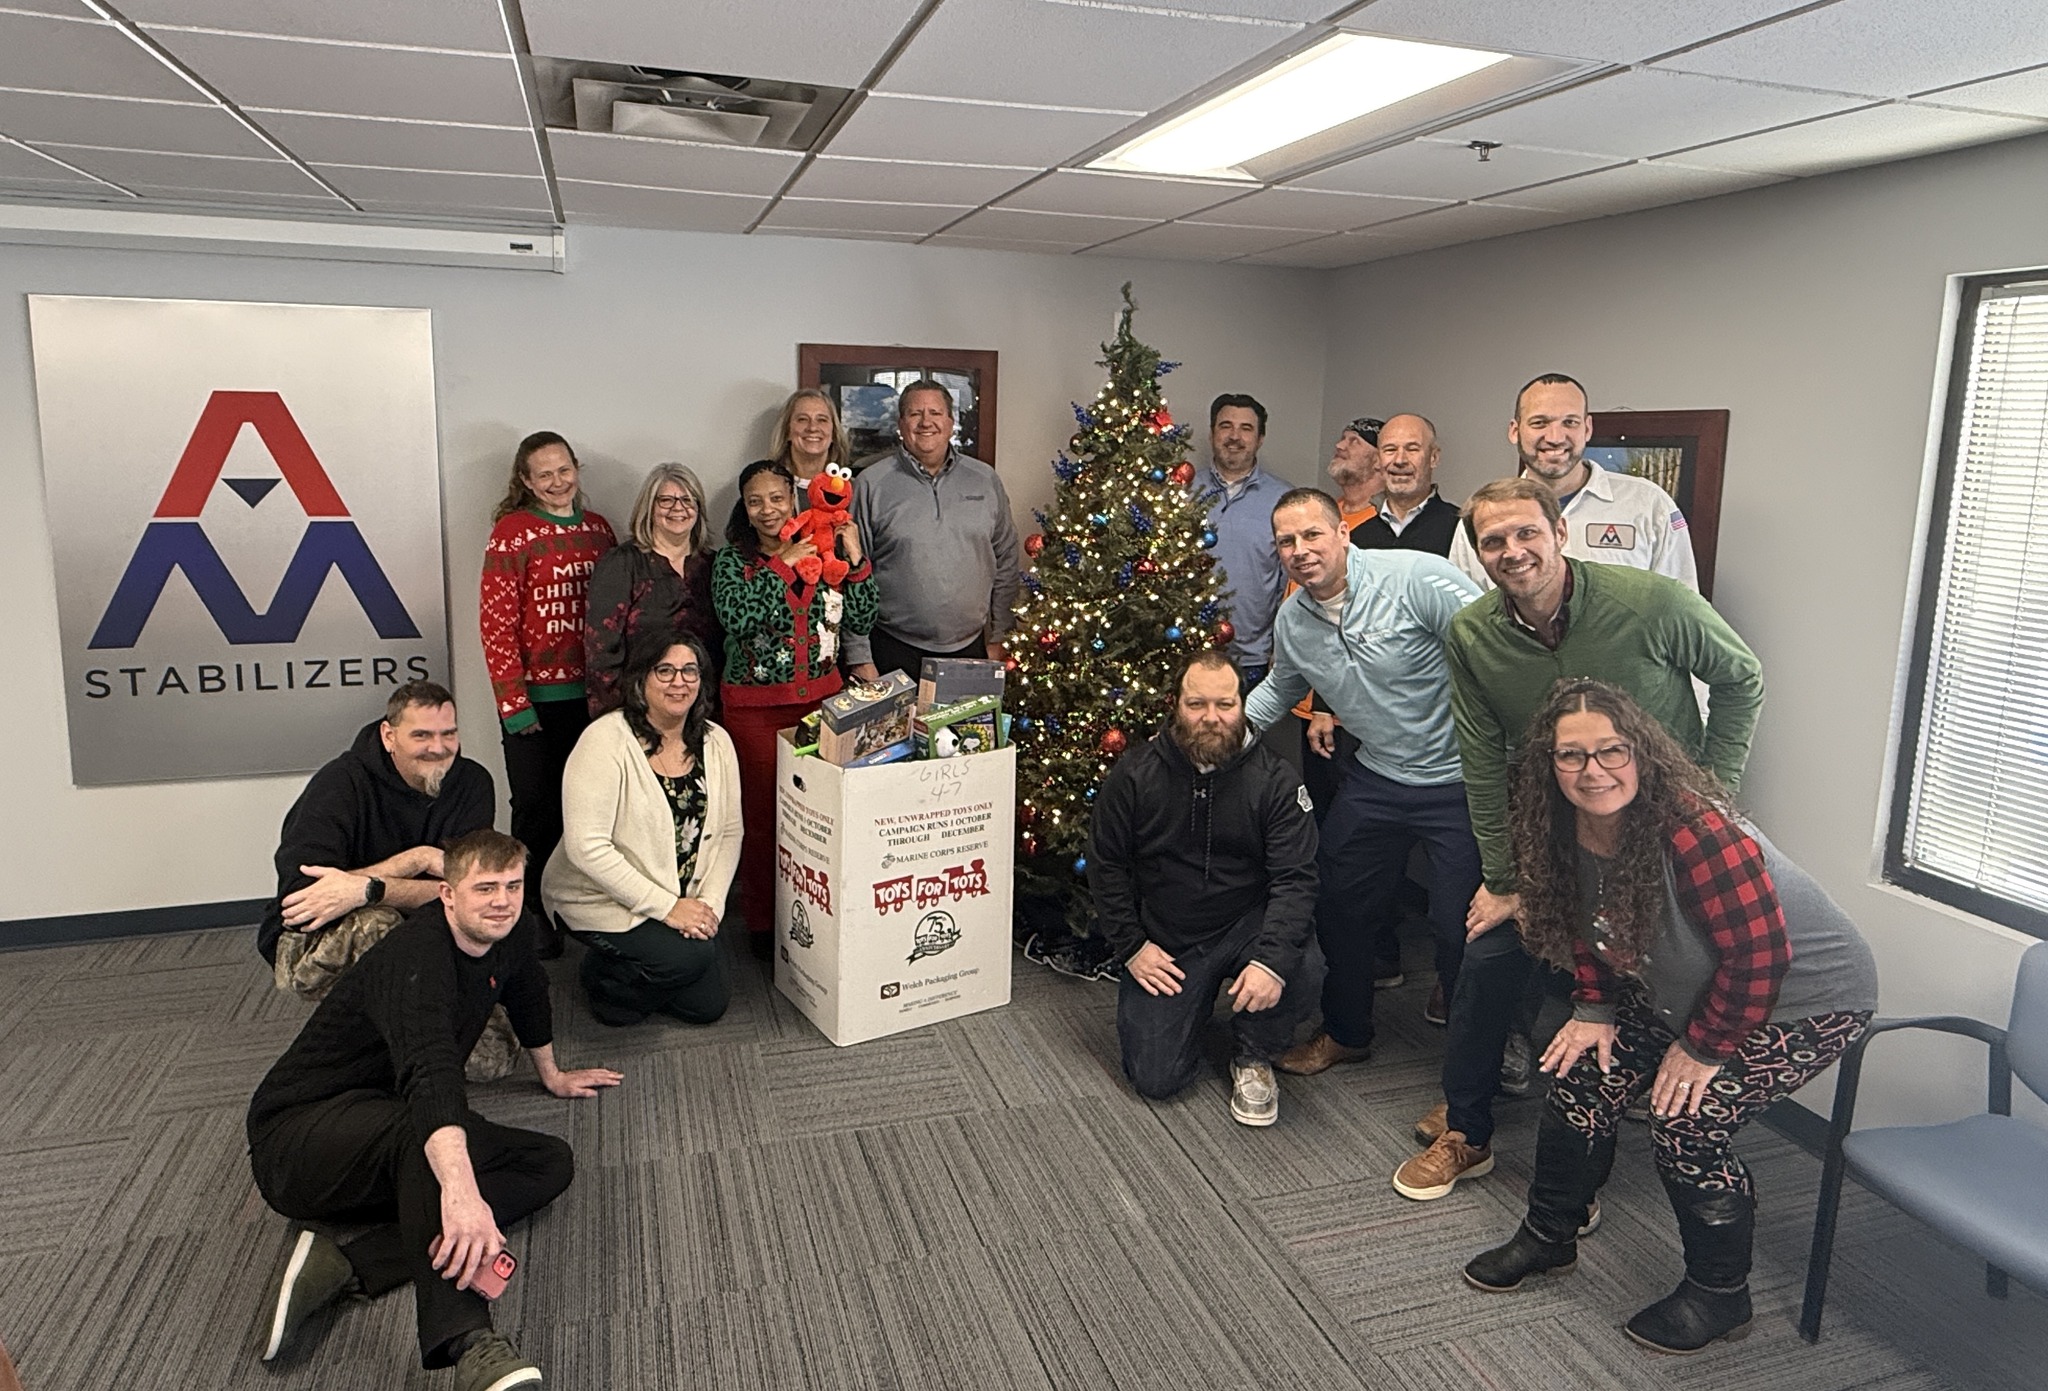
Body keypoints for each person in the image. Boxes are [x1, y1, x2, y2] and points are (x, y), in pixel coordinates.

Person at [1461, 679, 1875, 1356]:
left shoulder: (1696, 831)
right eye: (1572, 756)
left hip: (1807, 996)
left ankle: (1721, 1296)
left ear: (1642, 753)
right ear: (1549, 764)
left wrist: (1705, 1048)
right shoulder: (1561, 824)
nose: (1593, 770)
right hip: (1691, 985)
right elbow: (1588, 923)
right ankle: (1548, 1238)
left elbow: (1763, 957)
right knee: (1580, 1075)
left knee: (1687, 1119)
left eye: (1611, 750)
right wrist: (1593, 1006)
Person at [1401, 478, 1764, 1208]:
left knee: (1618, 993)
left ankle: (1577, 1173)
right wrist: (1504, 877)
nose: (1512, 551)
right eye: (1494, 540)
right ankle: (1467, 1130)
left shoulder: (1651, 603)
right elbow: (1481, 757)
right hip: (1553, 835)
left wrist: (1710, 797)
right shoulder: (1473, 635)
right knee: (1490, 954)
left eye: (1526, 533)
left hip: (1659, 837)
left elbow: (1741, 677)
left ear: (1559, 532)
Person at [247, 829, 623, 1385]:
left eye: (513, 886)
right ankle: (470, 1341)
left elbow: (526, 990)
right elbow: (430, 1076)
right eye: (485, 888)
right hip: (298, 1141)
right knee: (432, 1141)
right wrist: (463, 1194)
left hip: (381, 1121)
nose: (502, 901)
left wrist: (552, 1073)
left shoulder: (508, 932)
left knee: (546, 1163)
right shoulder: (417, 960)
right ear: (447, 895)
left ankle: (346, 1267)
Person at [1242, 489, 1484, 1082]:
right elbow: (1281, 686)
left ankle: (1481, 1053)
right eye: (1287, 542)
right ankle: (1347, 1032)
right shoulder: (1295, 618)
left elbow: (1495, 649)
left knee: (1462, 927)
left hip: (1459, 782)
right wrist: (1220, 735)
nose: (1300, 551)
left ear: (1343, 533)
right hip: (1376, 776)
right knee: (1337, 904)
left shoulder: (1417, 578)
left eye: (1312, 535)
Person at [1089, 650, 1318, 1126]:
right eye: (1197, 705)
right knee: (1156, 1079)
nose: (1212, 718)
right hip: (1170, 937)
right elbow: (1106, 864)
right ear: (1176, 705)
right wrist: (1132, 948)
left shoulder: (1274, 781)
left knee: (1300, 961)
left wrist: (1271, 962)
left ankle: (1252, 1053)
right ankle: (1194, 1011)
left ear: (1242, 704)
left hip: (1245, 925)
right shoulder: (1134, 776)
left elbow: (1296, 879)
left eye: (1225, 704)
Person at [715, 460, 877, 951]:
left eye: (778, 498)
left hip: (823, 704)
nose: (768, 509)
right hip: (754, 711)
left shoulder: (825, 552)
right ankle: (764, 925)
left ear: (795, 499)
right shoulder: (732, 561)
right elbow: (737, 618)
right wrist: (783, 562)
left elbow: (866, 617)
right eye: (756, 501)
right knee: (764, 821)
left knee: (819, 818)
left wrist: (854, 556)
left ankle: (819, 920)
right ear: (744, 508)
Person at [546, 635, 740, 1026]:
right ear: (641, 680)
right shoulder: (604, 741)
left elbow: (731, 832)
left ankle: (646, 962)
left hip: (681, 900)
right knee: (622, 1011)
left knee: (708, 1007)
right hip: (601, 898)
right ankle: (601, 974)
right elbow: (587, 848)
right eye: (664, 670)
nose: (679, 682)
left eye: (690, 671)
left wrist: (709, 910)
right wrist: (668, 909)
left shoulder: (716, 742)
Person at [261, 681, 492, 994]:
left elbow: (474, 889)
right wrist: (416, 859)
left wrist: (366, 888)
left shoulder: (473, 783)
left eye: (448, 733)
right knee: (381, 926)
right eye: (421, 735)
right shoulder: (339, 784)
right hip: (312, 938)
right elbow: (301, 898)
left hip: (424, 923)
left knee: (497, 914)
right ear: (389, 736)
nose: (438, 748)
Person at [480, 431, 617, 951]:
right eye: (544, 474)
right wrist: (512, 704)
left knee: (587, 808)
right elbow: (496, 625)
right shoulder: (512, 533)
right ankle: (528, 913)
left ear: (576, 469)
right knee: (535, 809)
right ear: (525, 481)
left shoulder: (599, 529)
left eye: (564, 470)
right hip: (535, 703)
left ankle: (579, 905)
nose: (557, 482)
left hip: (593, 699)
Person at [1449, 375, 1697, 589]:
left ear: (1587, 428)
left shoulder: (1649, 505)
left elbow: (1683, 613)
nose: (1555, 437)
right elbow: (1461, 617)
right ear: (1515, 431)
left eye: (1570, 422)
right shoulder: (1485, 517)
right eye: (1539, 423)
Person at [845, 380, 1020, 681]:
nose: (926, 422)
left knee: (966, 731)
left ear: (951, 422)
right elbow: (851, 572)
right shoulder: (871, 483)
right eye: (915, 414)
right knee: (900, 731)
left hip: (971, 650)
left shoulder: (984, 480)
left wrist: (1000, 635)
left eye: (936, 412)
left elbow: (1006, 558)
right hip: (892, 650)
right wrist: (859, 654)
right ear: (901, 424)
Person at [1292, 417, 1382, 819]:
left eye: (1356, 441)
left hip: (1346, 711)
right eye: (1342, 437)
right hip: (1306, 697)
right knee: (1313, 809)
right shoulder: (1325, 516)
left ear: (1381, 461)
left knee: (1348, 818)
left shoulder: (1381, 529)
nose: (1341, 445)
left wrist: (1328, 706)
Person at [584, 463, 721, 718]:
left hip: (705, 711)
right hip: (638, 712)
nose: (678, 508)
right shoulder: (622, 563)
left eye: (687, 500)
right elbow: (601, 651)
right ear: (649, 508)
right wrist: (615, 719)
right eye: (666, 500)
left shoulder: (716, 565)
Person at [1199, 393, 1288, 684]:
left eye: (1246, 428)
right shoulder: (1183, 491)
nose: (1234, 436)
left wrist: (1281, 648)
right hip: (1185, 651)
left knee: (1247, 732)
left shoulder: (1284, 500)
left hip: (1253, 660)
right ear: (1213, 433)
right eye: (1226, 426)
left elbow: (1290, 584)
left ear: (1260, 438)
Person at [1351, 413, 1461, 555]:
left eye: (1412, 449)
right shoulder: (1357, 540)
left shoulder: (1460, 528)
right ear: (1378, 460)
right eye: (1390, 449)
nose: (1400, 460)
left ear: (1434, 458)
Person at [765, 386, 854, 492]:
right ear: (787, 430)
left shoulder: (853, 490)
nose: (812, 428)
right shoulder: (765, 486)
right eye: (802, 419)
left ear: (834, 433)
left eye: (822, 420)